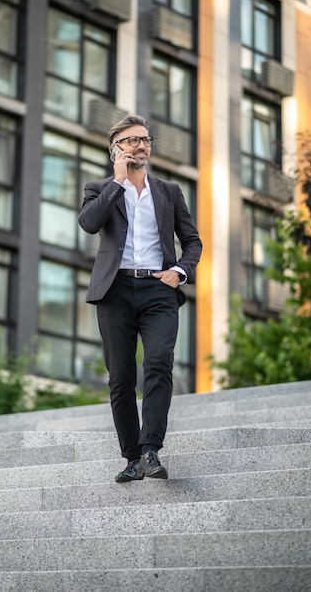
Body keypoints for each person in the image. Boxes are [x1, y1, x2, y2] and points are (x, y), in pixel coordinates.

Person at [78, 114, 202, 482]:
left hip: (159, 290)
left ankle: (151, 450)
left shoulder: (169, 191)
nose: (141, 145)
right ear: (115, 149)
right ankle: (131, 457)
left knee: (160, 363)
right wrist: (117, 181)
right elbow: (89, 223)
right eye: (131, 140)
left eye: (145, 139)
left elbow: (192, 240)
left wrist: (179, 271)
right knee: (120, 376)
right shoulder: (99, 187)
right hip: (114, 291)